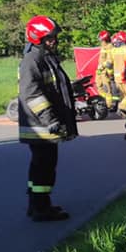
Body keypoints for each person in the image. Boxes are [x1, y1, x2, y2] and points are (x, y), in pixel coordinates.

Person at [19, 15, 77, 221]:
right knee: (44, 167)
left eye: (54, 37)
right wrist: (50, 119)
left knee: (41, 166)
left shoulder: (45, 57)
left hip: (44, 125)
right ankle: (42, 209)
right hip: (41, 126)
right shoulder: (32, 60)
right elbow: (31, 94)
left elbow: (52, 86)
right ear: (37, 38)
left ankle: (36, 204)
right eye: (49, 38)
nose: (54, 41)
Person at [110, 31, 126, 115]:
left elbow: (109, 63)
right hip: (125, 76)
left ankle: (124, 112)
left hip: (116, 77)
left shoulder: (113, 50)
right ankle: (122, 107)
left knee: (123, 94)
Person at [95, 30, 117, 109]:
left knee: (107, 88)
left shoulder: (110, 47)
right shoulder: (103, 47)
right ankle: (103, 102)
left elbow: (109, 61)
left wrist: (102, 67)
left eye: (101, 40)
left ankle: (109, 105)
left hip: (106, 72)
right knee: (99, 86)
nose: (100, 41)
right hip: (100, 71)